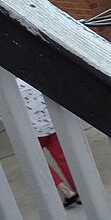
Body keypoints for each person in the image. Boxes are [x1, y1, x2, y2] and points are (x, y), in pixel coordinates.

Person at [14, 78, 79, 207]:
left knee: (36, 161)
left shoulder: (10, 85)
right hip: (50, 124)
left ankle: (64, 190)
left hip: (31, 132)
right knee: (63, 159)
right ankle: (80, 191)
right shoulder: (34, 75)